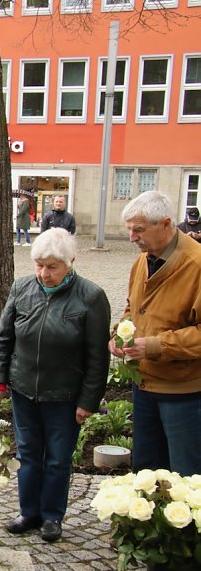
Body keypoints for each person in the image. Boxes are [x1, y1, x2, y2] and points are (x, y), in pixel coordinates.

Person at [0, 228, 111, 543]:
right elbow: (4, 339)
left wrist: (88, 401)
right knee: (28, 453)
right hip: (24, 388)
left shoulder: (91, 297)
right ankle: (29, 512)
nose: (44, 273)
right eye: (39, 265)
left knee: (57, 458)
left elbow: (97, 357)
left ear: (71, 261)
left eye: (52, 266)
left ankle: (52, 516)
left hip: (64, 394)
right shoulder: (22, 287)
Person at [108, 191, 201, 475]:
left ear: (165, 224)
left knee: (186, 475)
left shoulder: (196, 265)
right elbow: (132, 308)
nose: (132, 237)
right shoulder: (142, 261)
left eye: (138, 230)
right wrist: (119, 336)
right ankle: (146, 521)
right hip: (145, 385)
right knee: (146, 471)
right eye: (129, 230)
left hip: (184, 391)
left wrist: (156, 346)